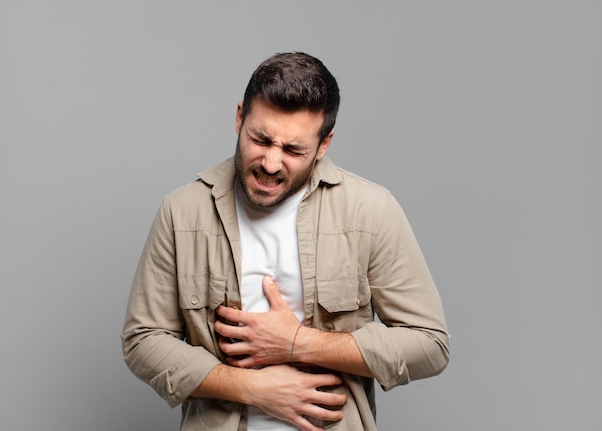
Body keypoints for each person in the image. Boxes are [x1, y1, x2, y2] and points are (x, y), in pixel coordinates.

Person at [122, 52, 450, 431]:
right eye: (260, 139)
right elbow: (143, 340)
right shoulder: (182, 211)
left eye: (294, 150)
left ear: (324, 144)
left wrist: (296, 343)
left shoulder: (370, 212)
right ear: (239, 116)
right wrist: (250, 388)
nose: (272, 164)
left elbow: (430, 345)